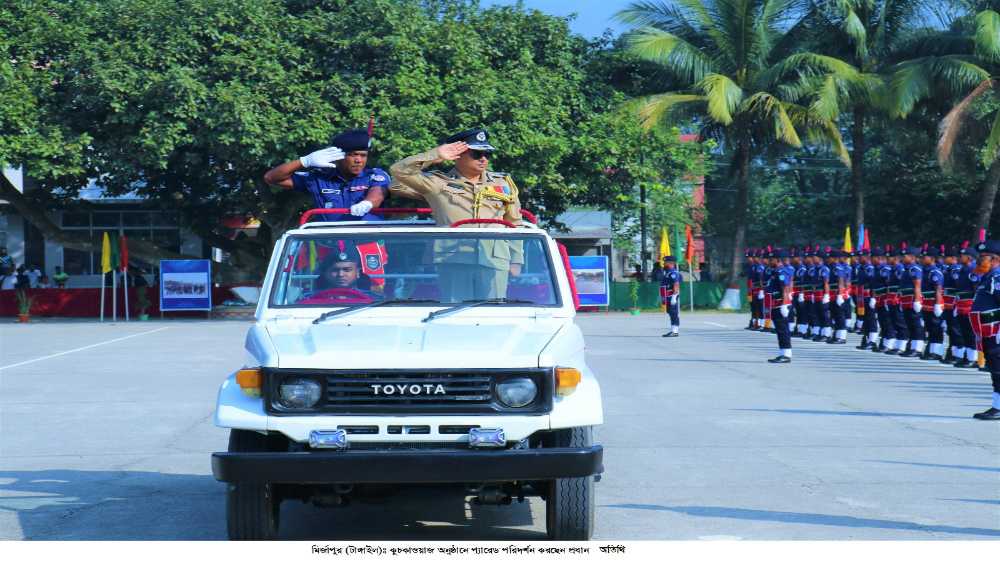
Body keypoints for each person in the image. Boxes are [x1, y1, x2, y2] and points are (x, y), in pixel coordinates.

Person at [389, 128, 524, 302]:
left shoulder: (503, 183)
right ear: (458, 155)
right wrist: (435, 155)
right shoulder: (438, 183)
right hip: (454, 258)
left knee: (495, 313)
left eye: (487, 154)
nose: (483, 159)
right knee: (456, 313)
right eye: (476, 154)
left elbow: (514, 223)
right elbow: (398, 172)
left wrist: (516, 259)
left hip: (495, 259)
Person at [263, 128, 389, 221]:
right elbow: (271, 178)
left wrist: (367, 203)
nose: (359, 160)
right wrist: (304, 161)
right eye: (353, 155)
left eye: (363, 155)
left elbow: (378, 193)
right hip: (330, 244)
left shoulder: (374, 175)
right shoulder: (319, 178)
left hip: (368, 242)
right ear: (338, 157)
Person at [969, 240, 1000, 420]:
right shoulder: (988, 277)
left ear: (994, 258)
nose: (979, 261)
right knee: (995, 370)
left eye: (983, 257)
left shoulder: (997, 278)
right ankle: (997, 406)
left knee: (998, 370)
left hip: (995, 332)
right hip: (987, 333)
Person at [953, 242, 980, 368]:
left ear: (969, 257)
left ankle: (974, 358)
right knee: (964, 331)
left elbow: (976, 290)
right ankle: (967, 356)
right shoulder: (962, 270)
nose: (959, 257)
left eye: (962, 255)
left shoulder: (972, 271)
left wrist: (975, 307)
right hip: (961, 306)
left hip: (969, 306)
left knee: (971, 332)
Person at [767, 249, 794, 363]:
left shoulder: (781, 272)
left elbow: (785, 289)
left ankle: (786, 354)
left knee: (783, 330)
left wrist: (785, 305)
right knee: (779, 330)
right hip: (775, 303)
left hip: (780, 304)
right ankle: (782, 352)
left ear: (777, 260)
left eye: (771, 259)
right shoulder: (775, 272)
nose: (769, 261)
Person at [920, 245, 946, 361]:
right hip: (926, 303)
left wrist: (938, 304)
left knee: (936, 327)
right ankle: (931, 350)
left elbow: (938, 289)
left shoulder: (935, 272)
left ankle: (937, 352)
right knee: (930, 327)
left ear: (932, 258)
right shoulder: (925, 271)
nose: (922, 259)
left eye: (925, 257)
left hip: (933, 303)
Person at [898, 244, 925, 357]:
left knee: (915, 324)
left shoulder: (915, 269)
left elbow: (917, 286)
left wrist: (917, 300)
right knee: (909, 323)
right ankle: (911, 346)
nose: (903, 257)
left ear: (912, 257)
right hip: (906, 300)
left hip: (912, 299)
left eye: (905, 255)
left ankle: (917, 348)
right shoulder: (907, 269)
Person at [660, 256, 682, 337]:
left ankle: (675, 331)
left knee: (674, 313)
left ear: (670, 263)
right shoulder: (668, 273)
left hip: (671, 296)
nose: (664, 264)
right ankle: (673, 330)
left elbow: (676, 284)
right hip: (668, 296)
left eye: (665, 262)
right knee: (671, 313)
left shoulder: (673, 273)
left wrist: (674, 297)